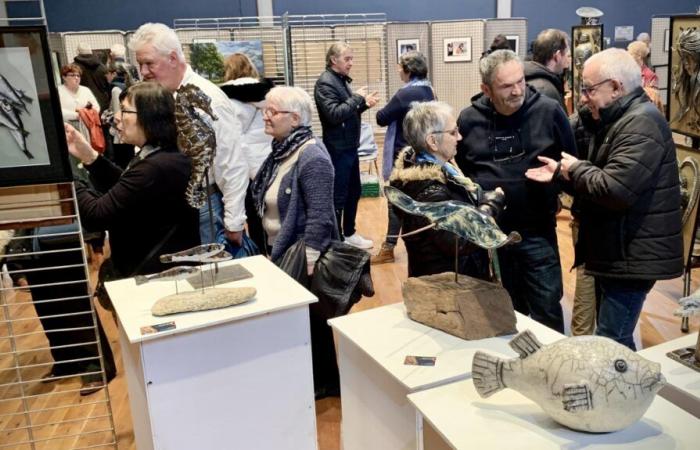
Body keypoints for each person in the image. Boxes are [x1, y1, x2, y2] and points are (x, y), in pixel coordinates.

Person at [525, 48, 683, 350]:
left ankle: (627, 396)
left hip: (632, 255)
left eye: (589, 89)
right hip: (618, 250)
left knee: (612, 343)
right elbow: (598, 184)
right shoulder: (617, 120)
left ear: (616, 87)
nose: (583, 97)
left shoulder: (641, 124)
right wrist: (562, 172)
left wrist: (575, 168)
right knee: (614, 340)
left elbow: (614, 189)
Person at [455, 49, 576, 333]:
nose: (517, 90)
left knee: (546, 306)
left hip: (537, 231)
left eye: (520, 81)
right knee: (506, 309)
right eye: (506, 86)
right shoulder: (469, 119)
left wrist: (558, 181)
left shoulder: (549, 111)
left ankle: (553, 369)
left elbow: (571, 163)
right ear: (486, 89)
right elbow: (460, 172)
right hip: (491, 236)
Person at [129, 23, 250, 257]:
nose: (143, 71)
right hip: (176, 209)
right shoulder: (165, 97)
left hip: (203, 208)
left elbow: (232, 162)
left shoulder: (208, 100)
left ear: (173, 58)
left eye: (149, 63)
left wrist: (234, 222)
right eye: (140, 64)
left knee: (210, 281)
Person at [249, 86, 338, 398]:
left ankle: (324, 384)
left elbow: (321, 214)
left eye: (273, 112)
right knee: (302, 324)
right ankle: (308, 379)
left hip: (302, 253)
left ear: (296, 118)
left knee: (313, 324)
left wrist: (310, 260)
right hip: (281, 250)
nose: (266, 116)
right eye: (266, 110)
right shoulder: (280, 152)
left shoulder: (311, 155)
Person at [65, 81, 200, 280]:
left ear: (149, 116)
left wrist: (68, 178)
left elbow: (96, 215)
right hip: (161, 274)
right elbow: (128, 188)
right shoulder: (165, 156)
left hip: (155, 279)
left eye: (125, 111)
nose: (117, 118)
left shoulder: (155, 167)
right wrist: (90, 157)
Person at [389, 101, 504, 278]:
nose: (459, 137)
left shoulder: (430, 168)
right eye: (453, 132)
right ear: (433, 141)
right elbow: (459, 241)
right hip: (452, 287)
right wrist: (491, 205)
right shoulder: (432, 192)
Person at [314, 42, 379, 249]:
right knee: (339, 195)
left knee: (353, 191)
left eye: (351, 58)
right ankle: (337, 238)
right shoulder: (325, 83)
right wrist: (357, 98)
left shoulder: (339, 80)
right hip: (338, 149)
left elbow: (345, 112)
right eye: (347, 59)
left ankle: (349, 233)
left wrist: (361, 105)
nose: (351, 63)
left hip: (349, 147)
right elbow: (333, 115)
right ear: (334, 60)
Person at [372, 51, 435, 264]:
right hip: (423, 153)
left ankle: (388, 248)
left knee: (395, 201)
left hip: (402, 155)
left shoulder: (404, 94)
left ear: (408, 70)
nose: (398, 70)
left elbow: (381, 118)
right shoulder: (429, 89)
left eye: (400, 66)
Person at [219, 53, 273, 179]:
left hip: (244, 162)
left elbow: (232, 135)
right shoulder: (269, 94)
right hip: (270, 156)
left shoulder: (226, 99)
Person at [524, 28, 571, 110]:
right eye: (568, 55)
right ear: (558, 55)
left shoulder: (526, 80)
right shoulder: (547, 92)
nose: (568, 62)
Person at [104, 62, 135, 169]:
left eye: (107, 73)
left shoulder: (115, 89)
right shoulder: (129, 86)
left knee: (122, 161)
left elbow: (118, 114)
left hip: (120, 132)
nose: (106, 76)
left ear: (114, 74)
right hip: (131, 128)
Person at [73, 42, 111, 111]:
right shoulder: (102, 67)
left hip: (83, 104)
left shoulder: (74, 68)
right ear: (91, 51)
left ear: (77, 52)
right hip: (102, 103)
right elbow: (107, 85)